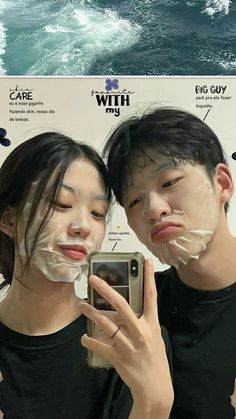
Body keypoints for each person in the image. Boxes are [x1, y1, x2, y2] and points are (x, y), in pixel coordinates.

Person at [0, 132, 173, 419]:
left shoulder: (130, 341)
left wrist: (154, 403)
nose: (83, 226)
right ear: (8, 219)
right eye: (61, 204)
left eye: (97, 213)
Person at [103, 107, 236, 419]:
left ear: (222, 183)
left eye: (169, 182)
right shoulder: (135, 314)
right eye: (134, 201)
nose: (153, 209)